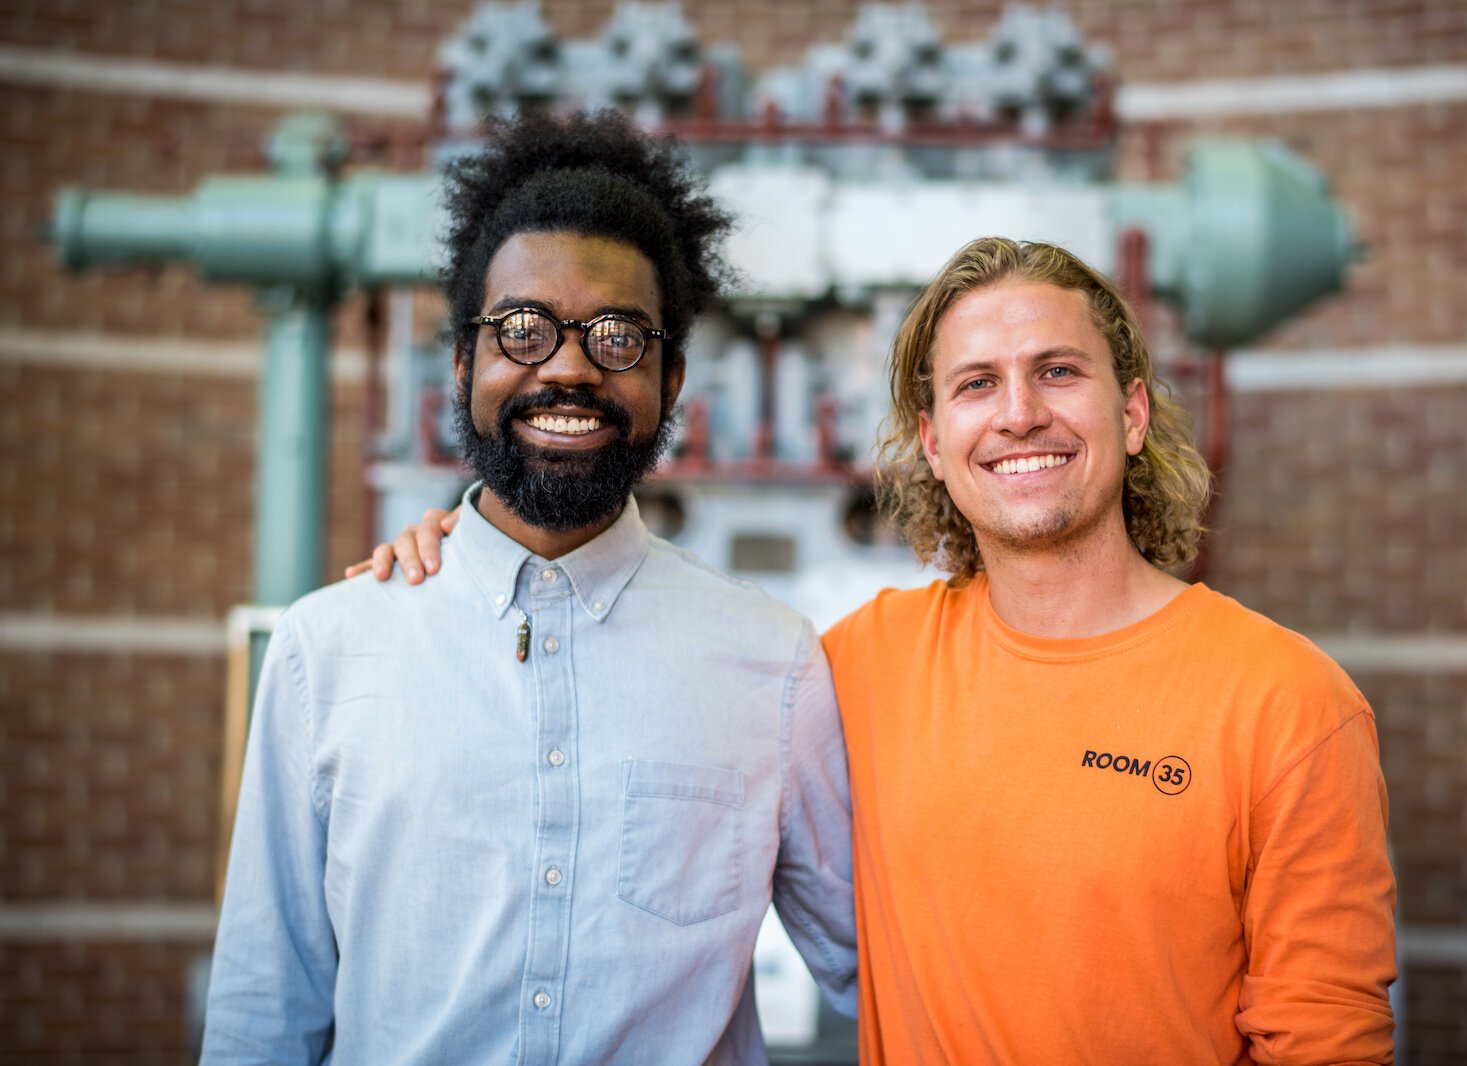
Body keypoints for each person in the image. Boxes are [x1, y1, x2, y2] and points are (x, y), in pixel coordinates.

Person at [371, 237, 1397, 1063]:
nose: (1019, 412)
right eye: (976, 385)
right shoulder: (851, 668)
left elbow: (1324, 1037)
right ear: (936, 438)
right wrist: (464, 558)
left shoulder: (1287, 701)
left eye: (1057, 371)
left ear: (1130, 412)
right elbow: (629, 672)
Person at [203, 110, 856, 1065]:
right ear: (464, 362)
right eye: (523, 329)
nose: (568, 368)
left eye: (617, 337)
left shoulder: (774, 664)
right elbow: (265, 1008)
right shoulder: (329, 650)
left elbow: (881, 973)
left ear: (671, 380)